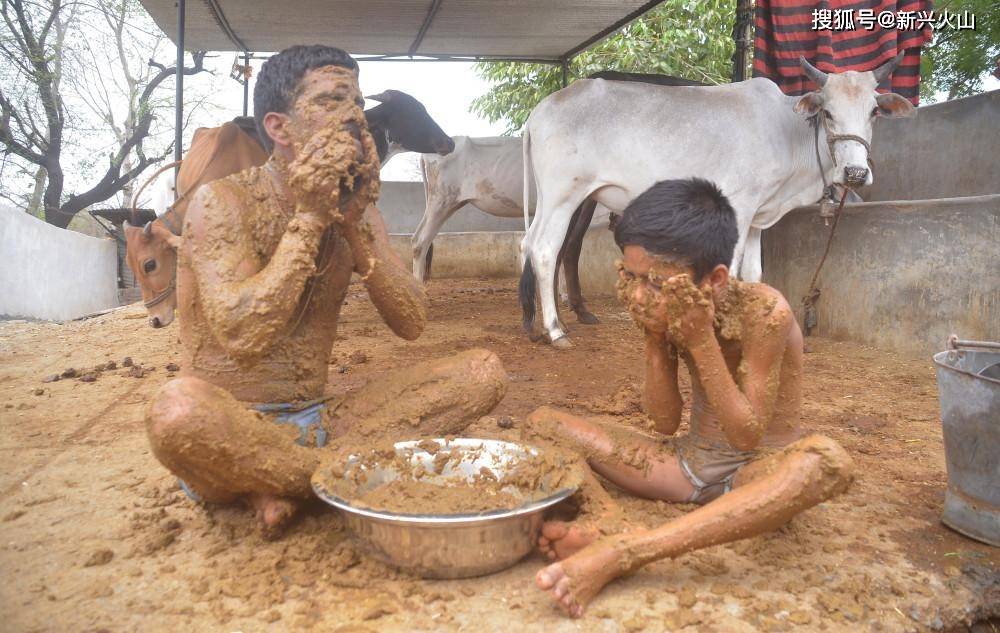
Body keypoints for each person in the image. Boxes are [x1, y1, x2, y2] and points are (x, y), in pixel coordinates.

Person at [144, 45, 506, 537]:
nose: (355, 118)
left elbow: (413, 322)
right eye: (331, 102)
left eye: (356, 102)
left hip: (320, 424)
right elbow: (243, 336)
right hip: (230, 429)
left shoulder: (356, 204)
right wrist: (311, 217)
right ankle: (329, 478)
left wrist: (355, 227)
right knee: (176, 412)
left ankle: (288, 484)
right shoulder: (223, 201)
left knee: (482, 372)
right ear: (279, 127)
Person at [525, 178, 853, 617]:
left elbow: (745, 435)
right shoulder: (667, 305)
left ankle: (630, 548)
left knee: (823, 463)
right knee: (544, 422)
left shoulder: (765, 313)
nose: (641, 295)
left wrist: (701, 342)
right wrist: (653, 339)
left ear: (715, 279)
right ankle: (608, 520)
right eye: (633, 278)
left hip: (754, 475)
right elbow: (663, 423)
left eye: (656, 283)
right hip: (685, 466)